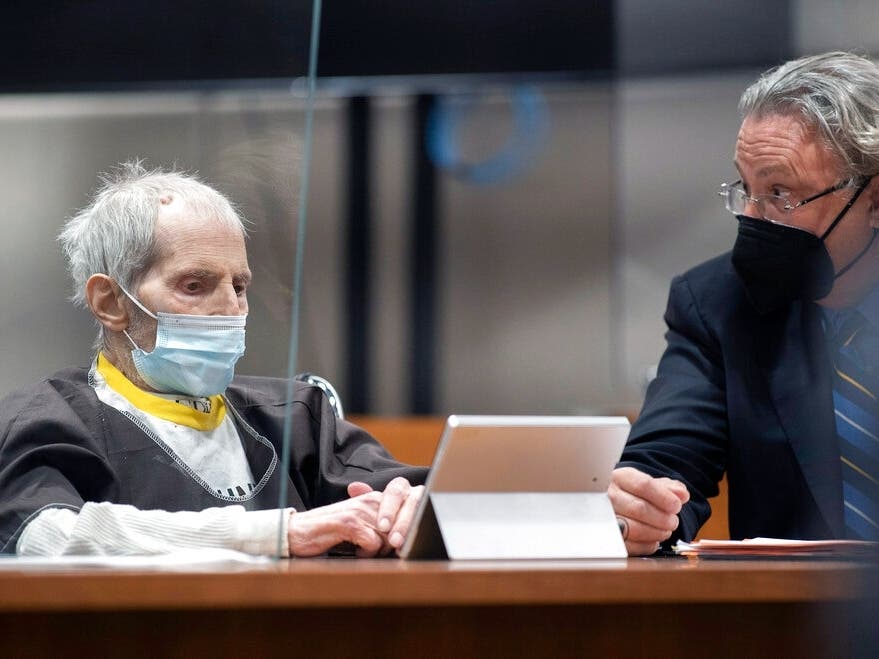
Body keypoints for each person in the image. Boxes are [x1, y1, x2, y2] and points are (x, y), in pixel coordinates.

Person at [0, 161, 427, 557]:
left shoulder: (298, 420)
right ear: (111, 302)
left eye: (239, 287)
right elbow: (50, 537)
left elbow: (409, 496)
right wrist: (279, 533)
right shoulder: (50, 421)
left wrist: (412, 506)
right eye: (194, 285)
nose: (229, 309)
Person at [609, 51, 879, 556]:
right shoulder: (718, 303)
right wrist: (641, 501)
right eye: (746, 189)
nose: (753, 218)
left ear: (875, 198)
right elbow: (668, 456)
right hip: (793, 623)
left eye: (781, 193)